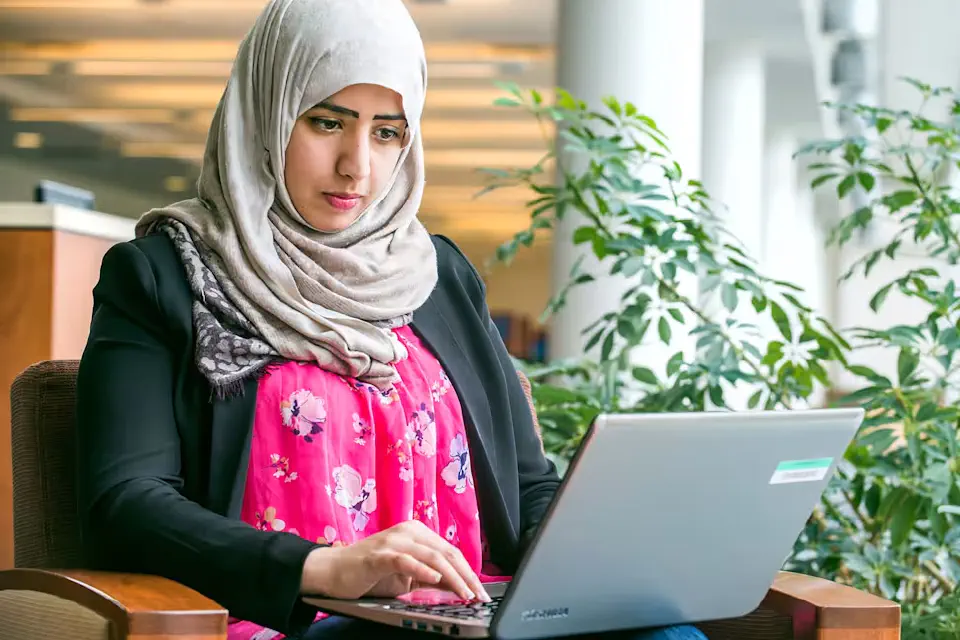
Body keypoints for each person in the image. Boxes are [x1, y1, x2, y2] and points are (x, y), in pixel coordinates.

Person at [74, 1, 708, 639]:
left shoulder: (438, 277)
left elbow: (526, 483)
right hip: (295, 621)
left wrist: (594, 567)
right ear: (266, 114)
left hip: (469, 618)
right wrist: (323, 568)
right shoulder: (165, 277)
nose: (358, 165)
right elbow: (125, 505)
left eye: (387, 132)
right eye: (327, 122)